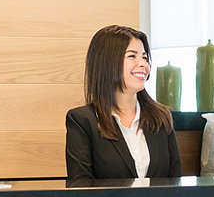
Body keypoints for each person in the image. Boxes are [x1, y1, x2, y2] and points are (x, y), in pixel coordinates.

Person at [64, 25, 183, 180]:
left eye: (144, 57)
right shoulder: (82, 120)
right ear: (107, 63)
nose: (143, 64)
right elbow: (81, 188)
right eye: (132, 56)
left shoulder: (161, 118)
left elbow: (176, 184)